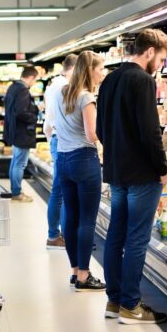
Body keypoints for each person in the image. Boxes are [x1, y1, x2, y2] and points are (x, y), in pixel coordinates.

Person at [97, 29, 167, 324]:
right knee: (137, 238)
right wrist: (162, 168)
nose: (162, 65)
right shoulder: (142, 80)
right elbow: (149, 132)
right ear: (150, 51)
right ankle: (131, 305)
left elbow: (101, 130)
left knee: (116, 235)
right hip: (142, 174)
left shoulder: (110, 79)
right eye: (162, 59)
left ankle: (114, 302)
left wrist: (117, 153)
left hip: (117, 171)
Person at [54, 51, 106, 292]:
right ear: (89, 71)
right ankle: (85, 276)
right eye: (99, 69)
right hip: (84, 159)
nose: (102, 73)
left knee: (71, 218)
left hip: (63, 160)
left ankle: (75, 271)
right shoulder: (86, 98)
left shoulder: (62, 93)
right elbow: (91, 134)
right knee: (87, 220)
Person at [43, 53, 78, 250]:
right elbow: (56, 117)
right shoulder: (62, 86)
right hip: (62, 139)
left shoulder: (54, 84)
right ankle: (56, 235)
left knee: (60, 190)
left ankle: (59, 234)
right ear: (73, 69)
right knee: (61, 190)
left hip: (57, 138)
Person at [4, 65, 40, 202]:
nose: (34, 83)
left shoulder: (13, 87)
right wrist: (35, 115)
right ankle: (16, 193)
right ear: (31, 77)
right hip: (22, 132)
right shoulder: (23, 90)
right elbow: (21, 112)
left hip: (14, 131)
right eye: (35, 80)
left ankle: (15, 190)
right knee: (20, 163)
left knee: (15, 161)